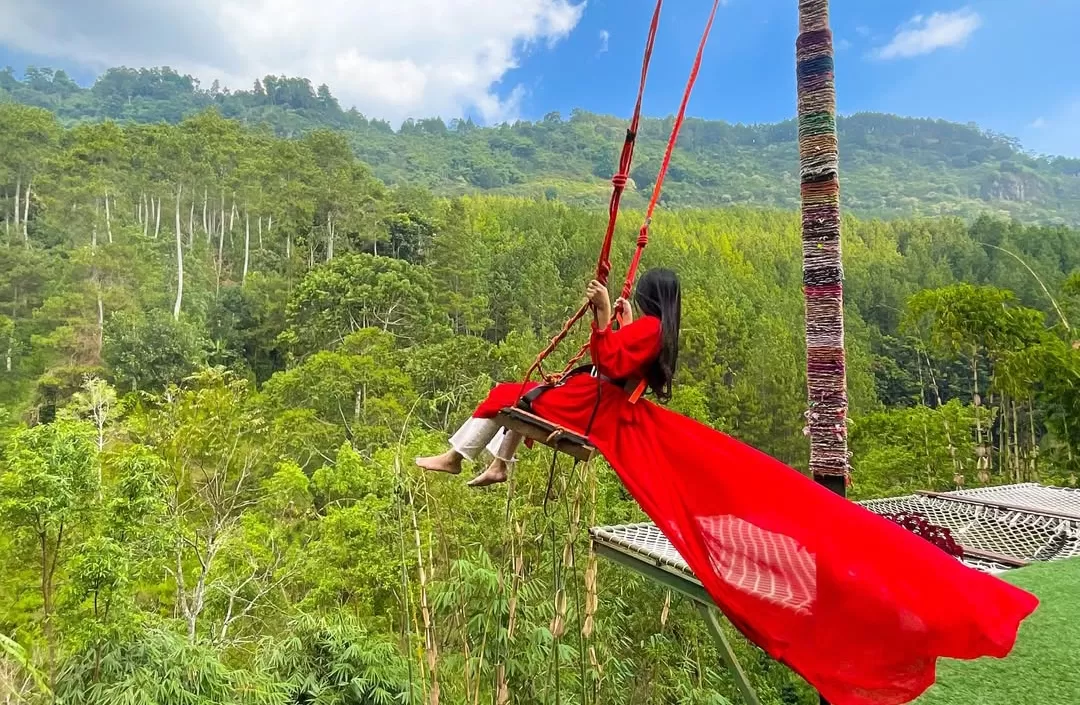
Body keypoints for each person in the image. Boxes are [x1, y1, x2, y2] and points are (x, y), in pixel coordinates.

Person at [419, 269, 1038, 705]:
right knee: (519, 400)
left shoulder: (646, 330)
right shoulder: (657, 330)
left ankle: (465, 456)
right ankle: (492, 461)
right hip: (606, 410)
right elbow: (618, 356)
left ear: (650, 297)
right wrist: (618, 320)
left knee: (509, 397)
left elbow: (609, 361)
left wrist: (608, 314)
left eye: (638, 296)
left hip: (602, 412)